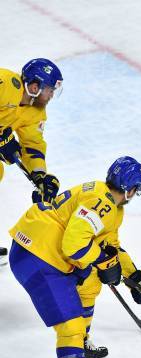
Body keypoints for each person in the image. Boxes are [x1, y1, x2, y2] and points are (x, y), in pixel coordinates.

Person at [8, 156, 141, 358]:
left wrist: (134, 277)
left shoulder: (106, 198)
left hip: (35, 247)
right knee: (71, 325)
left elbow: (110, 247)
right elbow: (74, 245)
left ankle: (82, 346)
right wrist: (102, 260)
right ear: (131, 188)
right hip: (40, 257)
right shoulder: (102, 204)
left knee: (90, 282)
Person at [0, 58, 64, 265]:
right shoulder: (6, 83)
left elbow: (32, 145)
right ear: (35, 86)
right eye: (50, 90)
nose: (52, 96)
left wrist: (39, 176)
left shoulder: (35, 111)